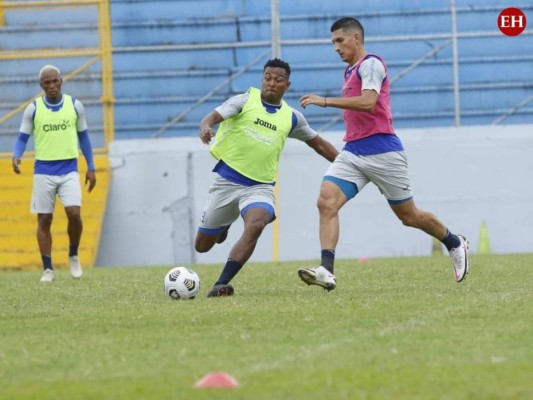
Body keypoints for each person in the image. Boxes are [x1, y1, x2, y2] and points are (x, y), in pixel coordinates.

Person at [297, 17, 469, 291]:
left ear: (356, 38)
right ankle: (326, 271)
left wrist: (325, 100)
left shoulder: (372, 65)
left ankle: (453, 242)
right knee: (326, 202)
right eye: (333, 43)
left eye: (339, 41)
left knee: (409, 216)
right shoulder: (350, 70)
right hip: (353, 151)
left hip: (383, 152)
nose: (335, 48)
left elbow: (368, 102)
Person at [196, 58, 339, 297]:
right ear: (262, 80)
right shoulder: (244, 101)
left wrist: (349, 165)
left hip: (259, 187)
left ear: (287, 85)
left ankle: (221, 284)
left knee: (256, 223)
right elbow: (210, 117)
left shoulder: (292, 117)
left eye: (278, 80)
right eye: (267, 78)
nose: (272, 83)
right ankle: (221, 229)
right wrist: (206, 127)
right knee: (202, 246)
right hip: (226, 183)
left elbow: (320, 144)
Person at [12, 65, 97, 282]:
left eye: (55, 81)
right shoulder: (33, 109)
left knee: (74, 214)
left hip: (69, 169)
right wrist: (16, 156)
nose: (52, 86)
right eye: (47, 83)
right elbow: (22, 137)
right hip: (43, 170)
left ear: (61, 81)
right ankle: (48, 269)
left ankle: (73, 254)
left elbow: (84, 137)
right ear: (41, 86)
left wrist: (91, 166)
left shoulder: (74, 105)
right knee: (44, 219)